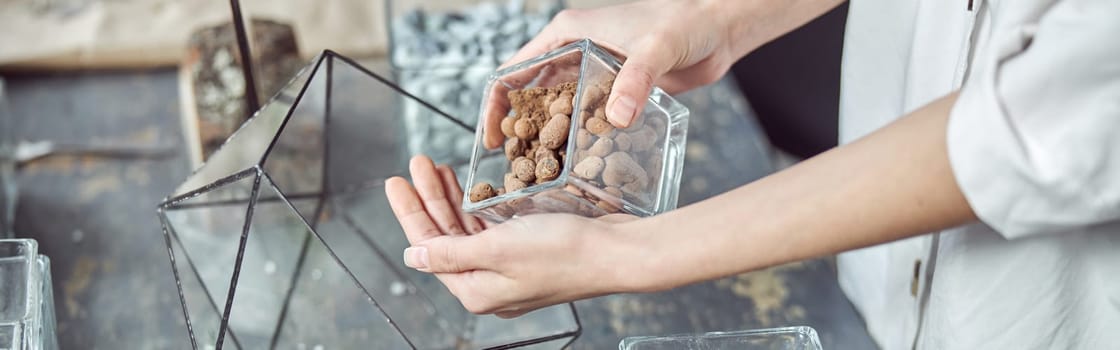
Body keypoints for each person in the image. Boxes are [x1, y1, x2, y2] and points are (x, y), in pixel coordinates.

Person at [384, 0, 1120, 348]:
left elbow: (1036, 129)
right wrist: (712, 18)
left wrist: (627, 253)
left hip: (1039, 306)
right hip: (873, 266)